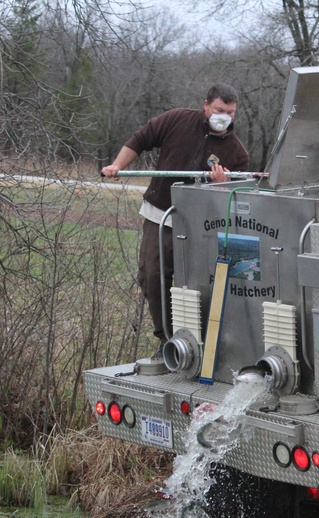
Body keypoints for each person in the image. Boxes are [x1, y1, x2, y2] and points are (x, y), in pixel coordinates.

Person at [102, 83, 251, 358]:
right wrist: (117, 166)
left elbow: (236, 200)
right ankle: (168, 340)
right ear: (205, 105)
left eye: (230, 112)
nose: (224, 117)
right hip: (161, 217)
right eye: (219, 110)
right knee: (153, 276)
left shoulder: (237, 153)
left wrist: (222, 185)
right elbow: (140, 139)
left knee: (197, 284)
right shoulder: (176, 119)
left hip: (202, 227)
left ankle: (204, 343)